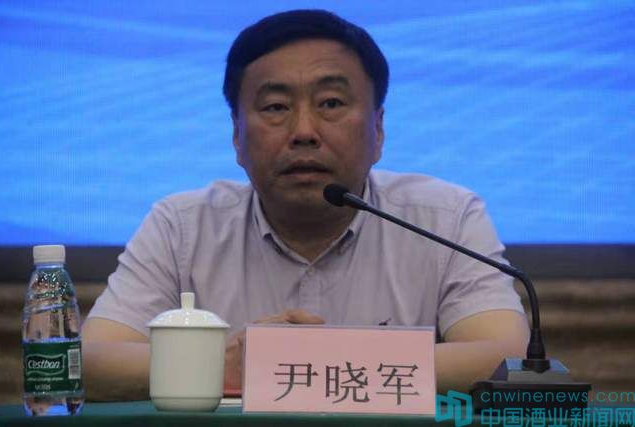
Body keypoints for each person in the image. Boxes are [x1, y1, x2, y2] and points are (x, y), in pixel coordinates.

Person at [82, 9, 529, 401]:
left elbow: (507, 357)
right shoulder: (182, 227)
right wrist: (222, 366)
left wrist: (296, 362)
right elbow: (89, 361)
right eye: (275, 107)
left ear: (378, 130)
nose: (303, 132)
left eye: (331, 103)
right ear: (236, 135)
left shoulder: (446, 219)